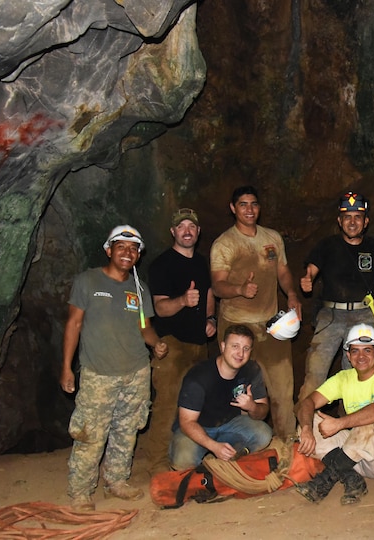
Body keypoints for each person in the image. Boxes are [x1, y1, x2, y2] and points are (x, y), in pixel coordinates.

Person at [60, 225, 168, 511]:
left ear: (138, 255)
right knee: (90, 434)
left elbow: (144, 327)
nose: (127, 252)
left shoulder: (139, 288)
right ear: (109, 250)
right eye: (121, 246)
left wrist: (156, 343)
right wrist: (66, 368)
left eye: (133, 249)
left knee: (127, 429)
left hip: (135, 371)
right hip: (98, 373)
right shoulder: (88, 281)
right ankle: (81, 491)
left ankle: (117, 481)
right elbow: (74, 324)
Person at [210, 186, 301, 440]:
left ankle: (287, 444)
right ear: (233, 208)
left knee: (282, 388)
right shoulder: (225, 244)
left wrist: (292, 293)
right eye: (243, 204)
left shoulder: (272, 238)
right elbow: (217, 286)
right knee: (238, 391)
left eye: (253, 204)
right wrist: (239, 289)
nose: (249, 209)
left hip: (272, 325)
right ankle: (242, 446)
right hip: (237, 326)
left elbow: (282, 271)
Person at [298, 191, 374, 401]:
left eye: (357, 217)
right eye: (347, 217)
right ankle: (304, 428)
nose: (352, 222)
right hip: (331, 316)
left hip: (363, 316)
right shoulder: (327, 245)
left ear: (366, 221)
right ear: (339, 220)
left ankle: (353, 424)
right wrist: (307, 278)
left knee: (359, 375)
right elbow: (311, 270)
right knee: (315, 373)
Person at [139, 208, 216, 475]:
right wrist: (183, 300)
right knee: (167, 404)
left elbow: (208, 296)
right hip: (172, 345)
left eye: (191, 226)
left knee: (200, 403)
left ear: (198, 232)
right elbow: (159, 308)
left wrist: (211, 320)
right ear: (173, 232)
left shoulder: (201, 263)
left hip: (199, 345)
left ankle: (193, 456)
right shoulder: (161, 265)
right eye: (181, 226)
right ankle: (158, 464)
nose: (187, 230)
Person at [295, 324, 374, 505]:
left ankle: (325, 480)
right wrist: (308, 429)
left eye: (367, 351)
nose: (361, 356)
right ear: (348, 355)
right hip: (356, 456)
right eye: (355, 351)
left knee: (370, 423)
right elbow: (307, 402)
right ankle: (351, 478)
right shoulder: (343, 378)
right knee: (310, 420)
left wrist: (340, 424)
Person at [168, 324, 272, 470]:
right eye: (235, 346)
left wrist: (252, 407)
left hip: (229, 425)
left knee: (264, 434)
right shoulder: (199, 377)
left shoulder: (251, 370)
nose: (240, 354)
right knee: (183, 460)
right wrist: (214, 447)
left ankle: (231, 458)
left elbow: (263, 411)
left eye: (246, 348)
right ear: (223, 347)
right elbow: (186, 423)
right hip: (197, 428)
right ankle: (212, 458)